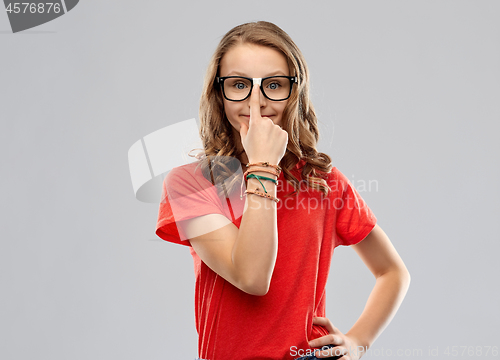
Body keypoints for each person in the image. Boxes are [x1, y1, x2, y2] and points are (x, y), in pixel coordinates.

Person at [156, 21, 410, 360]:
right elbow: (252, 276)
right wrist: (264, 166)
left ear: (295, 93)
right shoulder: (191, 184)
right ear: (218, 93)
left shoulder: (325, 182)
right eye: (239, 84)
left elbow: (393, 272)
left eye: (274, 85)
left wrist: (358, 341)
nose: (256, 101)